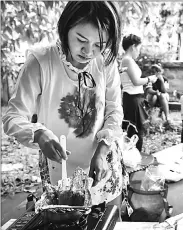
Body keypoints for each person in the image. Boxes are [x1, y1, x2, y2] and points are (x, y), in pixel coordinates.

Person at [2, 2, 124, 198]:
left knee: (106, 217)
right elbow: (12, 117)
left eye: (99, 45)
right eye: (81, 40)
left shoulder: (105, 62)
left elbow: (114, 111)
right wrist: (39, 134)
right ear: (65, 28)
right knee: (64, 220)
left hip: (102, 160)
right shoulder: (40, 62)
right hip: (58, 167)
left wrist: (101, 152)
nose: (88, 51)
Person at [120, 34, 158, 152]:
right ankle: (135, 158)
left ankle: (134, 157)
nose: (139, 52)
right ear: (133, 47)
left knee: (135, 130)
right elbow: (136, 81)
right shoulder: (127, 60)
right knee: (136, 131)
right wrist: (149, 79)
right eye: (139, 48)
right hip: (132, 98)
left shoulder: (128, 60)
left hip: (134, 97)